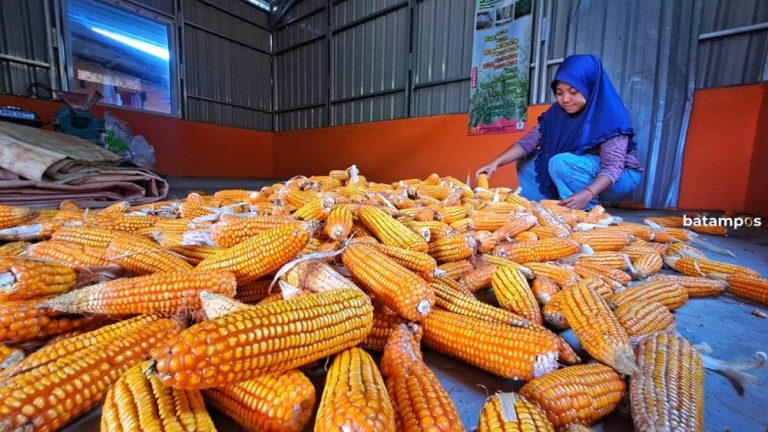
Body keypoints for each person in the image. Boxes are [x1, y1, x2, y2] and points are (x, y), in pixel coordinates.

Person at [476, 54, 643, 210]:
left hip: (619, 177)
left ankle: (585, 209)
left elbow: (612, 167)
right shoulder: (556, 113)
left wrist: (588, 193)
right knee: (527, 161)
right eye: (559, 93)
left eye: (573, 92)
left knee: (560, 162)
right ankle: (541, 209)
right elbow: (527, 143)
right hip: (579, 169)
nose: (565, 100)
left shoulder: (610, 115)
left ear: (589, 86)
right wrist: (495, 163)